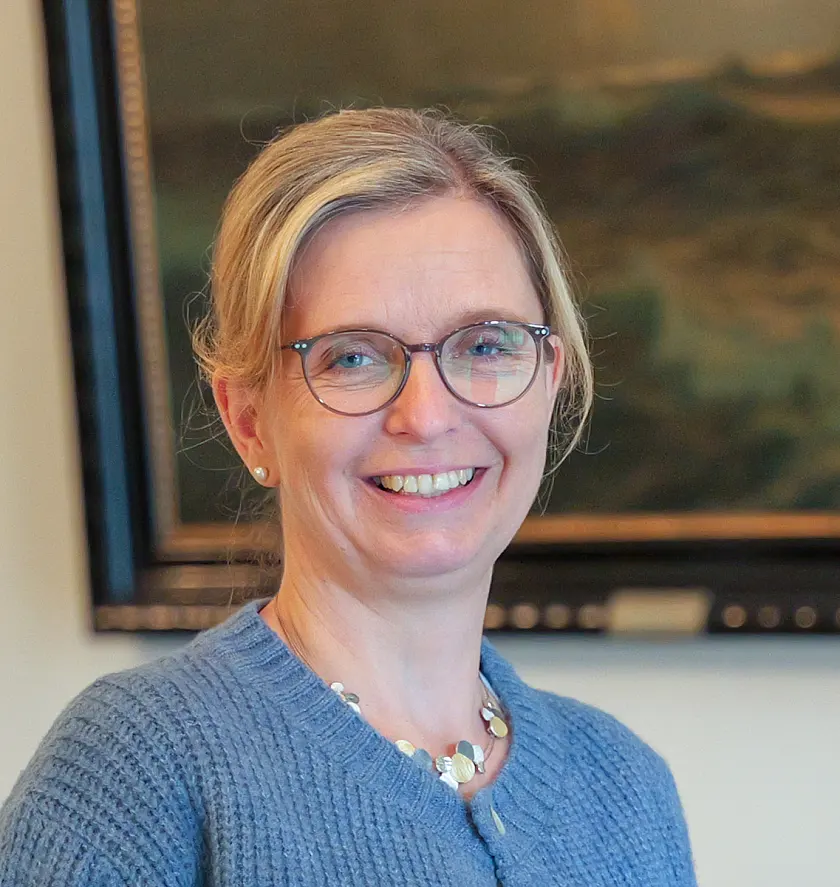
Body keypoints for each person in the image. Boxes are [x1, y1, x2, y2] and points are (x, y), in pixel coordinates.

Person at [0, 107, 695, 886]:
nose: (426, 416)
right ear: (249, 421)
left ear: (548, 379)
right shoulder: (129, 774)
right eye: (353, 357)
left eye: (484, 344)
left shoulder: (627, 788)